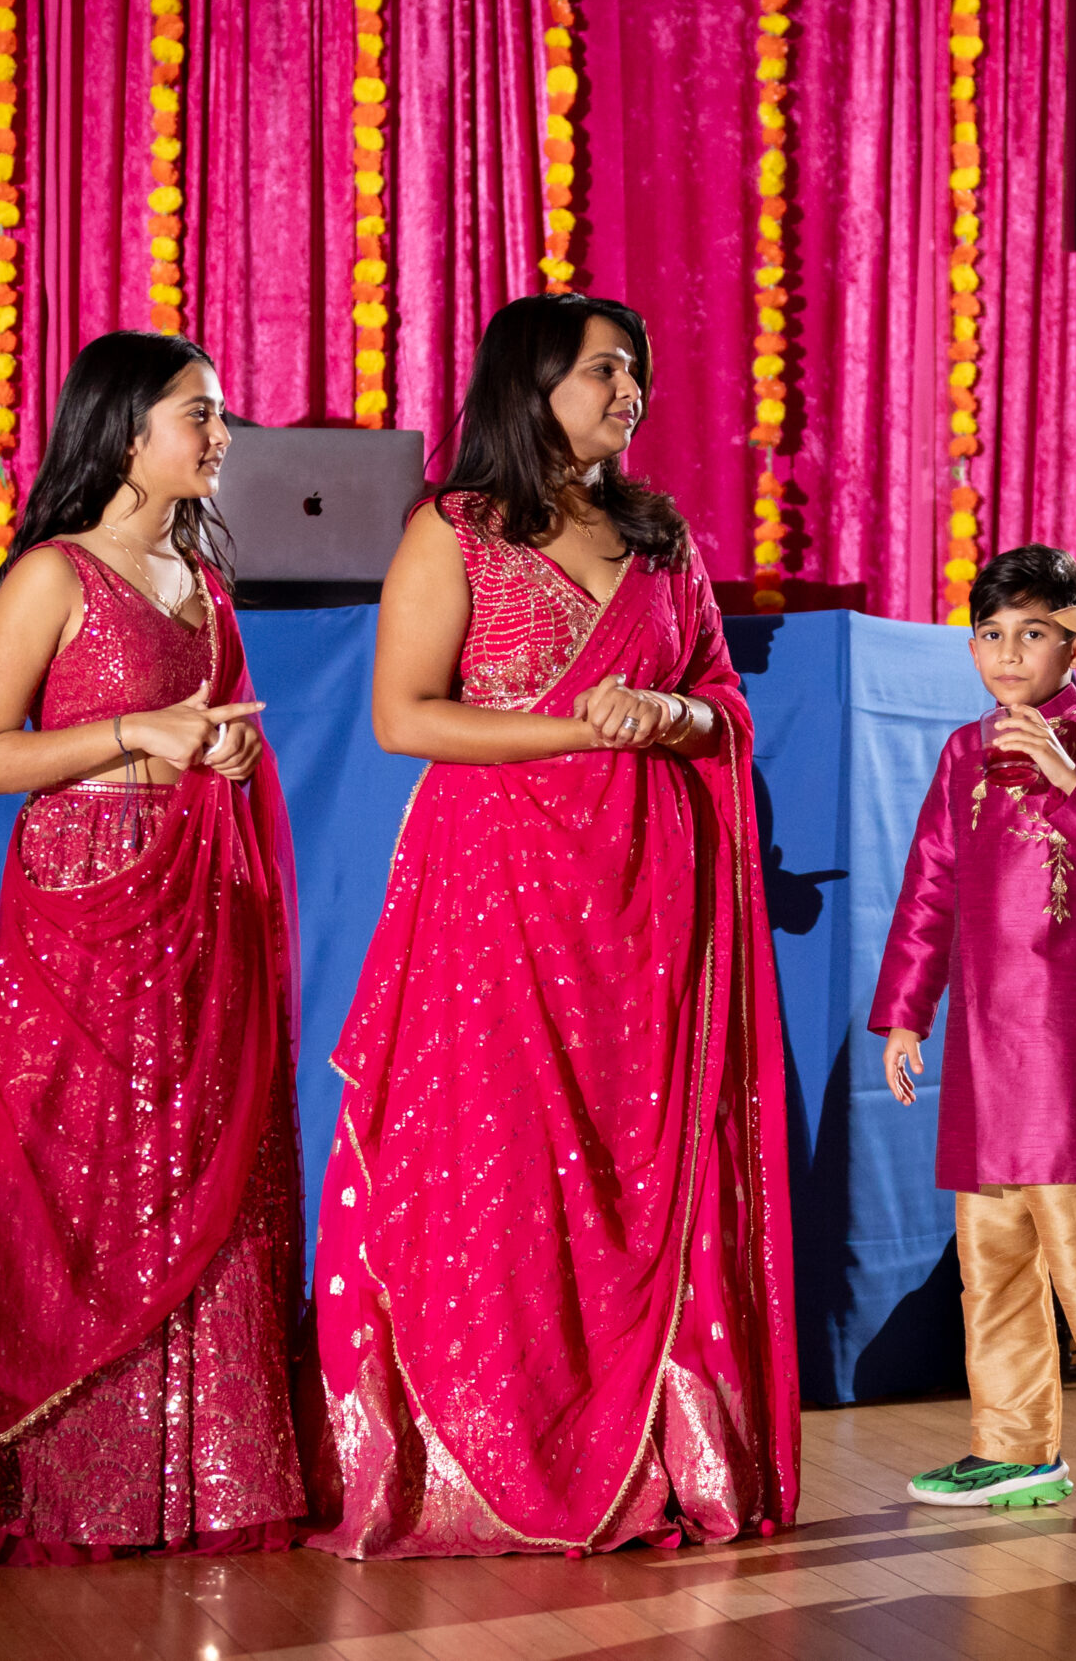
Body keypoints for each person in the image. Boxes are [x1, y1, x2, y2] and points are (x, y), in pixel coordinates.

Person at [299, 293, 800, 1558]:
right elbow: (406, 716)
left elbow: (720, 702)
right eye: (602, 370)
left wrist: (674, 718)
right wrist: (581, 723)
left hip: (646, 902)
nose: (629, 392)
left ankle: (660, 1450)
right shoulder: (456, 529)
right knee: (500, 1165)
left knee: (643, 1166)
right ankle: (489, 1452)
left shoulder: (659, 536)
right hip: (497, 895)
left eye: (635, 371)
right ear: (531, 385)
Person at [0, 332, 305, 1569]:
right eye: (198, 414)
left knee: (197, 1174)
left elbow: (209, 729)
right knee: (44, 1170)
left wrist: (219, 749)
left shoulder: (202, 582)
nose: (221, 436)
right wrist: (135, 734)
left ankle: (191, 1480)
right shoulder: (54, 575)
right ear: (123, 430)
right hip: (81, 903)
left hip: (198, 905)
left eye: (220, 415)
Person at [869, 546, 1076, 1528]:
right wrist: (906, 1013)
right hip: (981, 1052)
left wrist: (1063, 779)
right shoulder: (962, 753)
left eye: (1034, 633)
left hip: (1065, 1052)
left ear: (1075, 646)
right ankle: (1013, 1448)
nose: (1008, 654)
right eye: (991, 635)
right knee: (991, 1259)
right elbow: (928, 890)